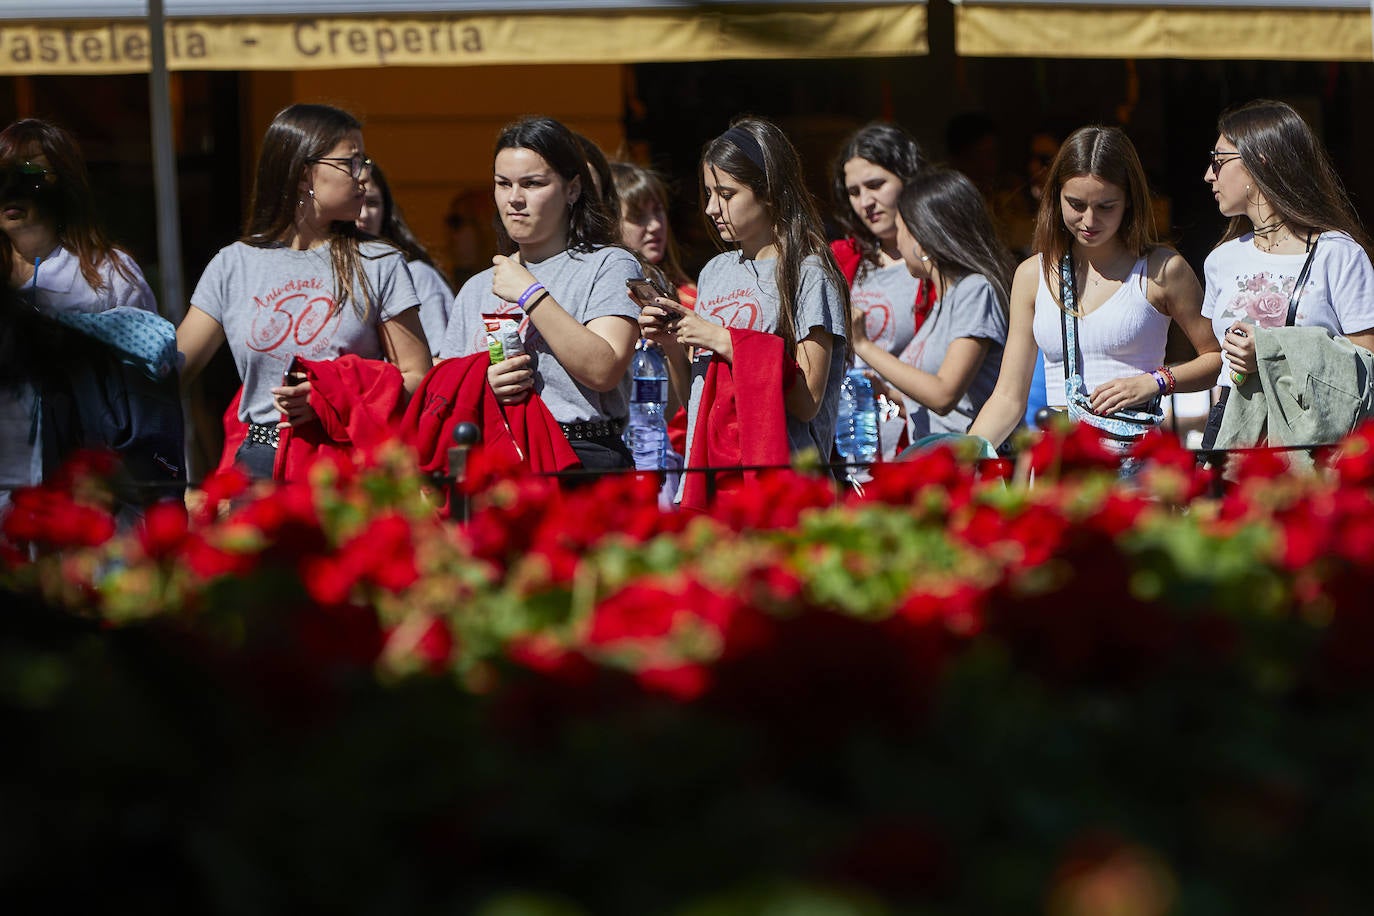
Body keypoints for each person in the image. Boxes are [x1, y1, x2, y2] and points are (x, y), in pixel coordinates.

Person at [176, 103, 432, 480]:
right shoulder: (234, 264)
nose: (363, 176)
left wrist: (332, 398)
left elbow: (418, 376)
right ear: (302, 175)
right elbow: (174, 370)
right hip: (261, 464)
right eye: (350, 163)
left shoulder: (380, 262)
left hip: (347, 466)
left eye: (365, 162)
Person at [968, 125, 1221, 454]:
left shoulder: (1163, 269)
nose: (1089, 220)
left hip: (1135, 468)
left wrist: (1155, 381)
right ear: (1055, 195)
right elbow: (1008, 396)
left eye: (1106, 206)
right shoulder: (1032, 275)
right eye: (1075, 204)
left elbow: (1217, 359)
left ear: (1129, 201)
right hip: (1060, 466)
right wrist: (964, 453)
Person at [638, 116, 848, 501]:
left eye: (727, 194)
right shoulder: (715, 271)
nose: (712, 209)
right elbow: (697, 402)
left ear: (768, 191)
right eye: (708, 194)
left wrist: (723, 340)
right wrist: (672, 344)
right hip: (712, 481)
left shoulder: (809, 272)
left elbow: (807, 402)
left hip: (783, 489)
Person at [437, 116, 642, 471]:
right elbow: (445, 387)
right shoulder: (477, 287)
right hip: (492, 459)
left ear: (572, 189)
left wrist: (532, 294)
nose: (514, 199)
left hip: (582, 458)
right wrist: (483, 381)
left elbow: (603, 369)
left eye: (532, 184)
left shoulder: (609, 264)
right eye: (503, 184)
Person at [0, 118, 173, 507]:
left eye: (30, 173)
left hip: (87, 498)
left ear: (65, 185)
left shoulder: (111, 273)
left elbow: (147, 389)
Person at [1199, 99, 1374, 448]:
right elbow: (1219, 367)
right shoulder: (1220, 260)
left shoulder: (1337, 253)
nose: (1208, 175)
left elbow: (1367, 360)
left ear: (1258, 160)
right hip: (1235, 432)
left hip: (1313, 438)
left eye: (1218, 161)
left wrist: (1268, 350)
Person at [848, 167, 1012, 443]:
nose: (897, 241)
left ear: (922, 237)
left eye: (901, 230)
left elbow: (944, 395)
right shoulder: (945, 298)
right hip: (934, 463)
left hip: (966, 468)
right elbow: (939, 409)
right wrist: (889, 395)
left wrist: (863, 344)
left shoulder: (975, 290)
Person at [357, 161, 454, 358]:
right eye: (355, 201)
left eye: (373, 202)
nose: (364, 214)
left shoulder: (416, 275)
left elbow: (441, 364)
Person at [610, 160, 696, 307]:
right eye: (637, 215)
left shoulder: (690, 297)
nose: (655, 225)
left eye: (658, 210)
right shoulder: (602, 291)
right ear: (610, 222)